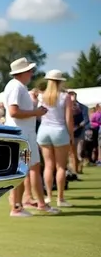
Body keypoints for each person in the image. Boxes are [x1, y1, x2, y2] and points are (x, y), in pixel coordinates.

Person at [2, 58, 58, 217]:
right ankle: (18, 207)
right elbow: (14, 112)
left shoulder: (19, 87)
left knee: (29, 168)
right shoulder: (16, 87)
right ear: (22, 72)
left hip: (25, 134)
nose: (32, 73)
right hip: (22, 135)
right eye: (29, 70)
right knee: (24, 169)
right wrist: (36, 112)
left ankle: (27, 204)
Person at [36, 70, 73, 208]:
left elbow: (40, 116)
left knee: (48, 166)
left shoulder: (42, 96)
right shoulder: (65, 96)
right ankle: (60, 198)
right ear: (60, 81)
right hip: (59, 131)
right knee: (60, 167)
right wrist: (71, 135)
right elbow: (69, 118)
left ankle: (49, 197)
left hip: (44, 131)